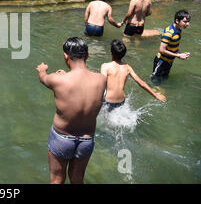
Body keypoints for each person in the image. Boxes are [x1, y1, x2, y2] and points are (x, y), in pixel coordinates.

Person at [36, 37, 106, 184]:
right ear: (87, 56)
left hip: (62, 137)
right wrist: (65, 75)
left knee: (57, 180)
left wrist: (42, 70)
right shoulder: (101, 79)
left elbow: (43, 78)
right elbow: (81, 85)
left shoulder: (57, 80)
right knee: (77, 179)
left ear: (65, 56)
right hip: (86, 140)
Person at [101, 40, 166, 112]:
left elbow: (100, 84)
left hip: (109, 101)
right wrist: (156, 95)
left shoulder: (105, 66)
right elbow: (141, 83)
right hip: (121, 101)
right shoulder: (127, 67)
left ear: (111, 53)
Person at [151, 10, 191, 84]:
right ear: (177, 21)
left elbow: (172, 46)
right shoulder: (169, 33)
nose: (188, 24)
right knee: (155, 82)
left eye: (188, 21)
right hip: (161, 61)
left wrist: (180, 54)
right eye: (185, 21)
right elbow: (162, 50)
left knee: (163, 81)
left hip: (169, 61)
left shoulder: (179, 30)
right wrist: (178, 55)